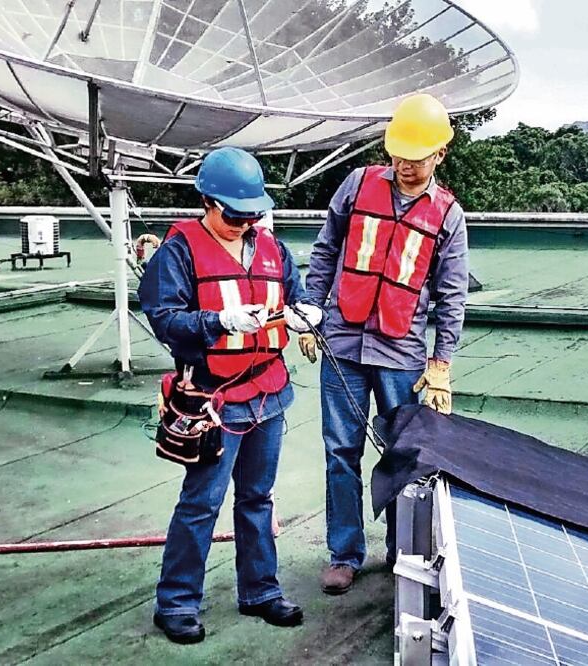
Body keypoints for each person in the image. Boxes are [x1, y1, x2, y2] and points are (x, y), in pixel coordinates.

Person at [139, 147, 322, 644]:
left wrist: (305, 312)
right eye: (234, 213)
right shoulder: (178, 250)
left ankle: (260, 591)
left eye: (252, 214)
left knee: (258, 497)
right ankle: (175, 602)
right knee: (201, 502)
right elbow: (163, 317)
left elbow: (293, 292)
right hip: (214, 400)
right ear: (207, 201)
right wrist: (216, 321)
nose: (244, 222)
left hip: (269, 390)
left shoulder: (271, 247)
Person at [301, 93, 469, 595]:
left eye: (417, 159)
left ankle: (403, 554)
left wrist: (440, 363)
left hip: (401, 354)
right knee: (340, 451)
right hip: (343, 343)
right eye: (399, 155)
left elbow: (451, 295)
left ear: (440, 153)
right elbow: (327, 249)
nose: (405, 166)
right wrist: (312, 308)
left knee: (403, 456)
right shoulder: (357, 185)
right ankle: (345, 554)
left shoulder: (448, 215)